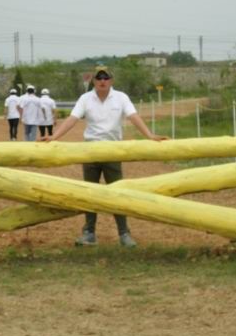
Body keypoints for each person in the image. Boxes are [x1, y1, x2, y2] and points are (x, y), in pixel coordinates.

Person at [42, 65, 167, 247]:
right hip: (90, 152)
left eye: (105, 78)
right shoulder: (85, 99)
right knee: (89, 194)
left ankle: (124, 234)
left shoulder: (121, 97)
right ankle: (89, 233)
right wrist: (54, 137)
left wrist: (149, 135)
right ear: (93, 80)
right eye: (99, 78)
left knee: (118, 192)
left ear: (111, 80)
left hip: (113, 151)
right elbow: (72, 119)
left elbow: (133, 116)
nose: (102, 81)